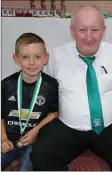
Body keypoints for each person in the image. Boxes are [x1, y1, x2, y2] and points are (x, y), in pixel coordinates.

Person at [30, 5, 112, 171]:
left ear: (104, 30)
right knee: (41, 155)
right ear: (72, 30)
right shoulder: (56, 56)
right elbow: (41, 89)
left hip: (109, 126)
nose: (89, 37)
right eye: (82, 29)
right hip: (67, 125)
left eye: (95, 29)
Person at [1, 32, 59, 171]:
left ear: (45, 59)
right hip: (9, 140)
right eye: (25, 57)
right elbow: (1, 116)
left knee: (26, 168)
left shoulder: (51, 85)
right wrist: (3, 139)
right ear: (16, 59)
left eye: (37, 57)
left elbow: (54, 113)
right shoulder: (6, 84)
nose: (32, 63)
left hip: (35, 141)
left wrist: (36, 131)